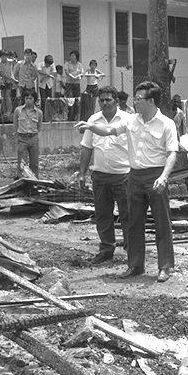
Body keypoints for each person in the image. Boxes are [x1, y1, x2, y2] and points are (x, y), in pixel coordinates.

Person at [75, 81, 178, 282]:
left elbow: (172, 153)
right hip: (135, 177)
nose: (135, 102)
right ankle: (135, 265)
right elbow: (108, 131)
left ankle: (165, 266)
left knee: (162, 223)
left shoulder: (167, 123)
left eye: (139, 99)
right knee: (133, 223)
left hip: (156, 176)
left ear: (150, 101)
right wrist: (90, 126)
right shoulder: (131, 121)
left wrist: (164, 177)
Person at [74, 86, 130, 264]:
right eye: (102, 100)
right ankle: (106, 249)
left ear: (117, 101)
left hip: (123, 175)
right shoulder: (93, 120)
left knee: (128, 214)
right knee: (103, 214)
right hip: (100, 175)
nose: (104, 103)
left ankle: (132, 250)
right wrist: (82, 173)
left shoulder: (128, 120)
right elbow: (87, 147)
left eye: (108, 100)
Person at [13, 88, 43, 178]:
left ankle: (35, 182)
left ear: (34, 99)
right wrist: (18, 137)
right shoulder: (18, 111)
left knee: (34, 163)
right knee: (22, 163)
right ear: (24, 99)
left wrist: (34, 136)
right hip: (22, 139)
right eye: (26, 98)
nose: (28, 100)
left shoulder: (39, 112)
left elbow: (39, 127)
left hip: (33, 139)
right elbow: (15, 125)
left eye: (31, 98)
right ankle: (22, 182)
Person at [0, 50, 17, 117]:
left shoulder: (9, 61)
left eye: (5, 56)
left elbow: (15, 61)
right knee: (3, 97)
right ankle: (5, 111)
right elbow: (2, 74)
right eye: (3, 56)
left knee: (7, 96)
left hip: (9, 81)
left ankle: (9, 111)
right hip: (3, 81)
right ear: (0, 57)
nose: (4, 58)